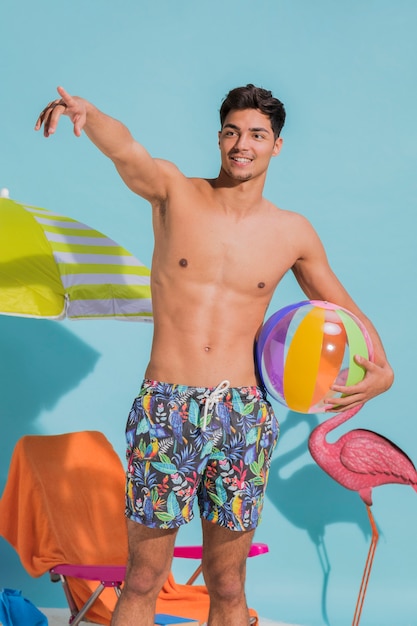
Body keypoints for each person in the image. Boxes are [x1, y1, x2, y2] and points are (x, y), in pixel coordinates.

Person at [35, 84, 394, 626]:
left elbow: (342, 308)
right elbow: (126, 150)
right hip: (166, 409)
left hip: (243, 415)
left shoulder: (292, 232)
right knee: (141, 579)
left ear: (277, 146)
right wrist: (90, 114)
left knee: (228, 584)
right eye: (232, 132)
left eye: (256, 134)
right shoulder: (175, 193)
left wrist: (383, 370)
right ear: (219, 138)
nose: (241, 144)